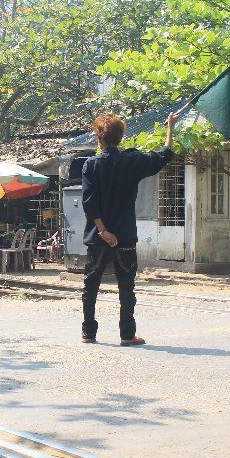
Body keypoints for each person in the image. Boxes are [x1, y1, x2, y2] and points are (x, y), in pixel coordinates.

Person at [80, 110, 182, 346]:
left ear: (99, 136)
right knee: (126, 286)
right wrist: (170, 126)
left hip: (98, 237)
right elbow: (164, 155)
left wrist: (103, 231)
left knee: (91, 285)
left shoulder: (90, 165)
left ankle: (88, 333)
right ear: (121, 136)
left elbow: (89, 202)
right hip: (125, 235)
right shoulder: (133, 161)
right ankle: (127, 335)